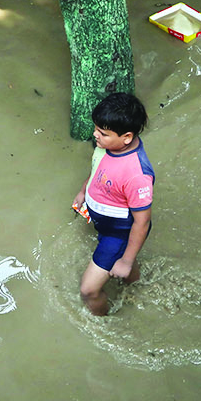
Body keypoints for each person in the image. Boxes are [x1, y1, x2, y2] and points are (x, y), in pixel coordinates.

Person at [74, 93, 155, 316]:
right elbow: (97, 167)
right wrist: (83, 192)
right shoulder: (107, 145)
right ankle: (134, 286)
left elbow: (142, 221)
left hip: (118, 234)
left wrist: (126, 261)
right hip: (105, 223)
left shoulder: (137, 175)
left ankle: (104, 322)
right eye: (96, 129)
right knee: (123, 272)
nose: (95, 135)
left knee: (88, 290)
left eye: (102, 133)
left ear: (127, 137)